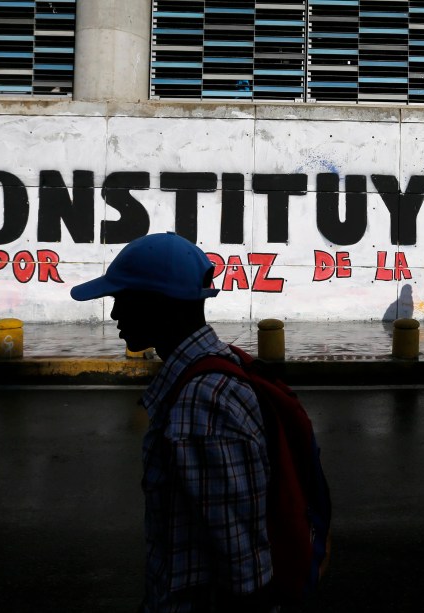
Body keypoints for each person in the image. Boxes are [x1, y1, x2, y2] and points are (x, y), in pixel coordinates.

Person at [70, 232, 275, 613]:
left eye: (123, 300)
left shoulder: (201, 405)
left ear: (160, 305)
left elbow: (244, 572)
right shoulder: (210, 372)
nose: (114, 315)